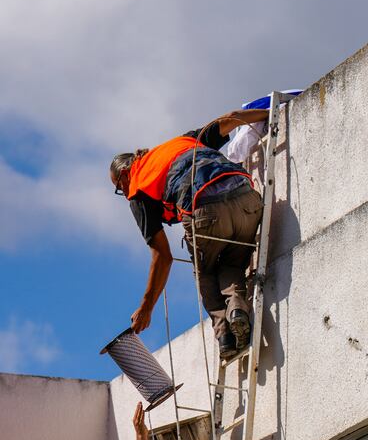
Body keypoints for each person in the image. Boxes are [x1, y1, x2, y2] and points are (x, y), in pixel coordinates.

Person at [109, 109, 269, 360]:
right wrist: (271, 110)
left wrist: (146, 307)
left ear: (124, 175)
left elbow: (162, 255)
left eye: (119, 188)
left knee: (205, 270)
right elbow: (230, 119)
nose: (124, 192)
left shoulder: (138, 186)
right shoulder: (182, 142)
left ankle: (224, 335)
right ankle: (237, 309)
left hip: (206, 210)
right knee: (233, 262)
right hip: (247, 199)